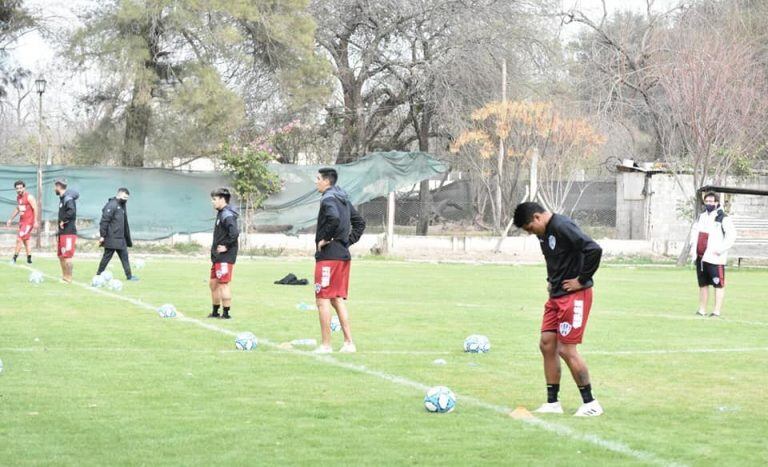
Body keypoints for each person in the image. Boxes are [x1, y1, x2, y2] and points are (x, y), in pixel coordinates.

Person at [513, 202, 604, 417]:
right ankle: (552, 403)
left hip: (574, 296)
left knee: (566, 349)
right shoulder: (543, 233)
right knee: (547, 344)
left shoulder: (562, 225)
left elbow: (593, 249)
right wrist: (551, 281)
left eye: (529, 228)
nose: (530, 233)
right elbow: (556, 258)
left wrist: (582, 280)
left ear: (537, 218)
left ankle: (591, 403)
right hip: (556, 296)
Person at [312, 168, 366, 354]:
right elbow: (360, 223)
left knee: (322, 299)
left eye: (318, 179)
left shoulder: (328, 198)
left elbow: (334, 218)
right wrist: (345, 242)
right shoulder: (343, 198)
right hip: (341, 255)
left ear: (327, 181)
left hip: (329, 258)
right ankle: (349, 343)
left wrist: (326, 239)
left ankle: (326, 345)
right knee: (336, 299)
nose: (316, 182)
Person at [690, 192, 736, 318]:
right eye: (707, 201)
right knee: (703, 284)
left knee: (718, 284)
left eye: (712, 201)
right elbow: (695, 233)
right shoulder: (701, 217)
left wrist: (720, 250)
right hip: (701, 257)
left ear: (716, 202)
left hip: (715, 258)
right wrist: (693, 248)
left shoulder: (723, 217)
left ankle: (716, 311)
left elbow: (731, 237)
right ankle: (702, 309)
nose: (709, 204)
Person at [208, 188, 239, 320]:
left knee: (223, 284)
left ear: (222, 199)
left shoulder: (228, 215)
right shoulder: (221, 213)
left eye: (214, 199)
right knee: (213, 284)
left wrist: (225, 245)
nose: (212, 202)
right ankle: (215, 312)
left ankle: (226, 314)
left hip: (225, 258)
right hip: (217, 257)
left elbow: (234, 233)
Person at [97, 188, 138, 281]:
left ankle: (129, 276)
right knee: (106, 257)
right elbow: (104, 221)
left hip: (121, 238)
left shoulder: (122, 205)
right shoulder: (111, 205)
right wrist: (102, 236)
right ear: (119, 195)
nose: (125, 199)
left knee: (125, 258)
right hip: (111, 238)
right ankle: (98, 274)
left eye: (127, 198)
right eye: (124, 197)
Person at [6, 180, 39, 264]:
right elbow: (18, 208)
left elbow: (35, 208)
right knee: (26, 241)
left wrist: (35, 221)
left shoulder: (29, 197)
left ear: (24, 188)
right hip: (22, 222)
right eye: (17, 188)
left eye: (21, 188)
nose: (19, 190)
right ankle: (29, 259)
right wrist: (10, 219)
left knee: (19, 239)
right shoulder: (19, 197)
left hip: (28, 222)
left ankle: (14, 258)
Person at [55, 179, 79, 283]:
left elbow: (72, 211)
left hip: (69, 232)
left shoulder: (68, 199)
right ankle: (64, 277)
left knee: (67, 256)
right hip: (62, 233)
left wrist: (64, 221)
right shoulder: (62, 199)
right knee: (61, 256)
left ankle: (69, 278)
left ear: (59, 186)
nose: (54, 188)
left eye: (55, 186)